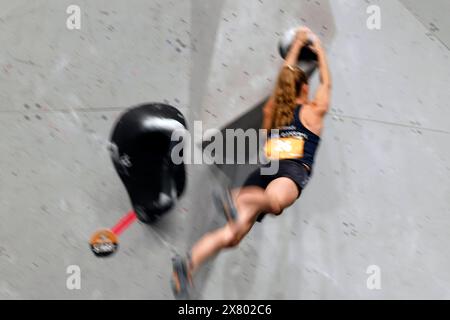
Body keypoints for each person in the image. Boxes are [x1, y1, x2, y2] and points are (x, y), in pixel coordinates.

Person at [171, 27, 331, 299]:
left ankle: (186, 265)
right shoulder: (313, 112)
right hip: (289, 172)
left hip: (264, 174)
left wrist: (297, 46)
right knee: (277, 203)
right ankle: (233, 198)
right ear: (305, 87)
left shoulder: (275, 111)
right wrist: (321, 53)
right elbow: (327, 84)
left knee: (232, 236)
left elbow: (285, 75)